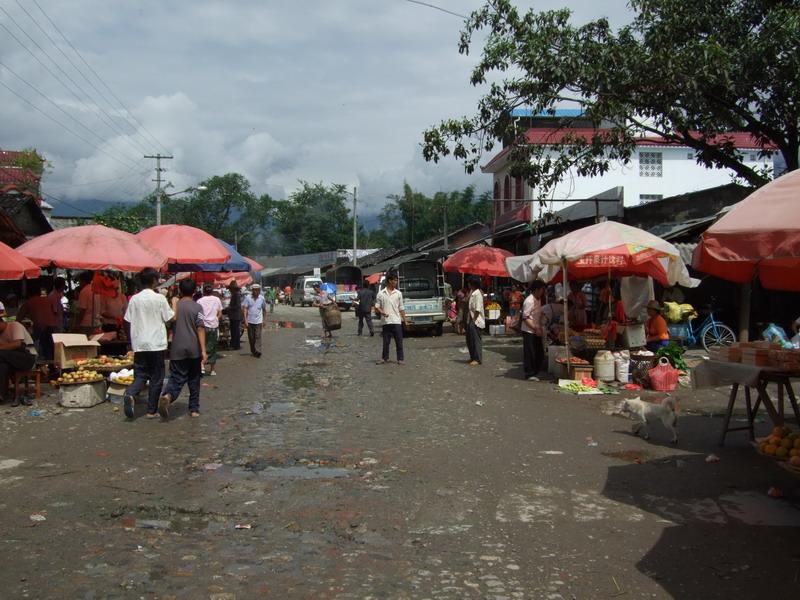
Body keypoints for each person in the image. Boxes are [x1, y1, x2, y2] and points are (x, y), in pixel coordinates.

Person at [122, 268, 174, 420]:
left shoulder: (134, 299)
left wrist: (130, 339)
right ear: (154, 281)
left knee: (141, 375)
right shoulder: (159, 299)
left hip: (139, 343)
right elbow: (169, 317)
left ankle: (130, 393)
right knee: (156, 378)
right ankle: (151, 411)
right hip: (156, 343)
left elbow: (127, 320)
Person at [159, 279, 207, 419]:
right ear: (194, 291)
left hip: (177, 349)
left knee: (176, 378)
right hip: (194, 350)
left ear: (180, 290)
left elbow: (168, 325)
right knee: (194, 380)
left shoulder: (174, 307)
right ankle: (194, 410)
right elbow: (200, 328)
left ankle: (168, 396)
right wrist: (203, 350)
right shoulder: (197, 307)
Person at [0, 313, 37, 406]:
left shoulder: (14, 325)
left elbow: (17, 344)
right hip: (10, 360)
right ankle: (1, 394)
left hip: (27, 357)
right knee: (2, 366)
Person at [375, 272, 408, 365]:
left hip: (397, 321)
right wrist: (381, 312)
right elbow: (377, 307)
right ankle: (384, 358)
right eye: (395, 280)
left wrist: (405, 320)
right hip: (386, 321)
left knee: (399, 341)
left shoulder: (398, 293)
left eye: (396, 280)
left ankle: (400, 359)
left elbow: (401, 308)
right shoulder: (381, 294)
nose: (396, 282)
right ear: (389, 281)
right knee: (386, 342)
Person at [522, 281, 547, 381]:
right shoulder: (529, 301)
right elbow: (525, 317)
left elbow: (536, 313)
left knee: (539, 352)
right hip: (529, 330)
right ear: (537, 290)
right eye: (541, 290)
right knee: (530, 352)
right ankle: (529, 373)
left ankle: (535, 372)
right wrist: (535, 328)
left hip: (536, 329)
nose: (542, 292)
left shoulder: (538, 299)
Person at [197, 283, 223, 376]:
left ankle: (202, 366)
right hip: (213, 327)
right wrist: (216, 318)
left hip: (202, 327)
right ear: (212, 290)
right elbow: (220, 313)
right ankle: (212, 369)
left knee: (202, 347)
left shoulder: (199, 301)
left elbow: (198, 315)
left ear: (203, 291)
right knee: (213, 348)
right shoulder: (217, 299)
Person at [242, 284, 267, 357]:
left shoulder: (262, 298)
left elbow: (264, 310)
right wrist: (245, 320)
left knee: (258, 336)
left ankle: (258, 351)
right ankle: (253, 350)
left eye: (257, 290)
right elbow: (245, 309)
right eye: (254, 290)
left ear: (259, 291)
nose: (256, 291)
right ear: (252, 290)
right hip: (250, 321)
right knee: (251, 337)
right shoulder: (248, 298)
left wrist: (264, 320)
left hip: (258, 321)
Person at [465, 277, 486, 366]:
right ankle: (473, 357)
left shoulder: (478, 294)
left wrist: (473, 321)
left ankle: (477, 358)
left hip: (476, 320)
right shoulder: (473, 293)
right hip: (470, 319)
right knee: (470, 339)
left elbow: (477, 309)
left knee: (476, 340)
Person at [227, 281, 243, 350]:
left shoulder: (237, 295)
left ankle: (235, 345)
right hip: (234, 316)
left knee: (235, 331)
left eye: (230, 289)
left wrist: (229, 308)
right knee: (234, 331)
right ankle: (235, 345)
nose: (230, 290)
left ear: (233, 289)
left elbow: (237, 306)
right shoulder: (234, 295)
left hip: (236, 316)